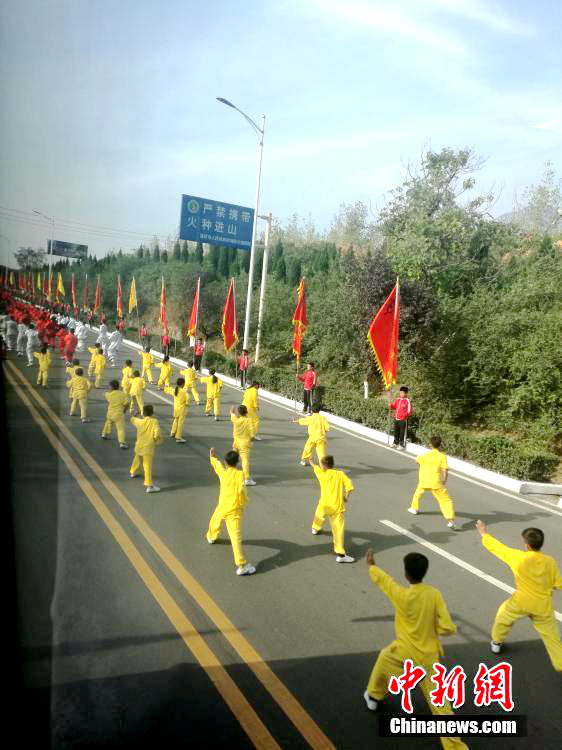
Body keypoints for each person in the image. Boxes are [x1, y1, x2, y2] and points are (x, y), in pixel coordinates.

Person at [363, 549, 468, 750]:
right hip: (428, 658)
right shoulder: (433, 594)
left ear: (406, 573)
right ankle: (455, 747)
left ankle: (374, 695)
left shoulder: (401, 595)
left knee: (384, 659)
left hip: (403, 653)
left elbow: (385, 582)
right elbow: (447, 627)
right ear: (424, 572)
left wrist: (372, 566)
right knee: (441, 706)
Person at [475, 520, 562, 670]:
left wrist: (484, 533)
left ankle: (496, 643)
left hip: (521, 602)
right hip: (543, 605)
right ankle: (560, 663)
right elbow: (558, 584)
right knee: (552, 637)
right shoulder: (550, 562)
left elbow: (498, 548)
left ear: (526, 544)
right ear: (541, 543)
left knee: (503, 617)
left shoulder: (517, 557)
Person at [206, 447, 255, 576]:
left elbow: (217, 466)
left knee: (215, 520)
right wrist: (244, 502)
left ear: (226, 462)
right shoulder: (240, 475)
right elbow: (242, 491)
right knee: (235, 538)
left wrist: (212, 457)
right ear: (237, 462)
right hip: (234, 511)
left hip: (222, 506)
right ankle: (241, 565)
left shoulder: (224, 473)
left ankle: (211, 537)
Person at [308, 454, 354, 563]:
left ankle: (315, 528)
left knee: (319, 514)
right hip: (337, 507)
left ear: (324, 465)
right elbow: (349, 486)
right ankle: (340, 555)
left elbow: (314, 467)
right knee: (338, 530)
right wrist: (346, 497)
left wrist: (311, 461)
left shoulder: (321, 474)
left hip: (324, 504)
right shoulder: (340, 474)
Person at [407, 436, 458, 530]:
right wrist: (444, 480)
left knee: (417, 494)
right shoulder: (442, 456)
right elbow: (445, 470)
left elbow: (416, 461)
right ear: (440, 445)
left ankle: (414, 508)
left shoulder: (424, 455)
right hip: (436, 483)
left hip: (423, 480)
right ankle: (450, 520)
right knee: (446, 501)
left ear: (430, 445)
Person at [129, 404, 163, 493]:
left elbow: (132, 419)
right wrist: (156, 439)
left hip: (139, 445)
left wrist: (135, 414)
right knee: (147, 466)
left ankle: (133, 472)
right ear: (152, 413)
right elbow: (157, 432)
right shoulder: (154, 421)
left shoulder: (139, 421)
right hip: (148, 447)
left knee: (137, 459)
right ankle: (149, 485)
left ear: (143, 413)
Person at [230, 405, 256, 485]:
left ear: (239, 412)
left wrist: (232, 410)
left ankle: (230, 474)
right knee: (245, 460)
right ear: (246, 412)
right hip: (244, 444)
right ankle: (246, 479)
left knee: (232, 459)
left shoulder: (235, 420)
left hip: (236, 443)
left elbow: (232, 414)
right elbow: (252, 435)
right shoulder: (249, 421)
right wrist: (251, 441)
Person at [101, 380, 129, 448]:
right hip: (119, 414)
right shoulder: (123, 394)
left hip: (110, 413)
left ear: (111, 387)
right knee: (120, 429)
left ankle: (104, 434)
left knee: (108, 423)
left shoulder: (109, 394)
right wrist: (124, 410)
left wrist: (108, 392)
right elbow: (127, 403)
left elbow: (104, 394)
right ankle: (122, 443)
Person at [164, 377, 188, 443]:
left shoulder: (175, 390)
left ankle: (172, 432)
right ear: (182, 384)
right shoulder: (184, 392)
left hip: (176, 408)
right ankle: (178, 437)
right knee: (180, 423)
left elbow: (167, 390)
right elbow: (188, 401)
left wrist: (166, 387)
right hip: (182, 409)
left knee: (175, 420)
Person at [389, 386, 413, 450]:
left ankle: (402, 445)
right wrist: (391, 405)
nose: (401, 394)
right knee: (396, 432)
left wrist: (404, 416)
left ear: (406, 393)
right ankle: (395, 443)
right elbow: (395, 406)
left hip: (403, 420)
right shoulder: (398, 399)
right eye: (400, 392)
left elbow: (409, 411)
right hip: (396, 418)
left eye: (402, 393)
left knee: (402, 433)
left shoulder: (407, 401)